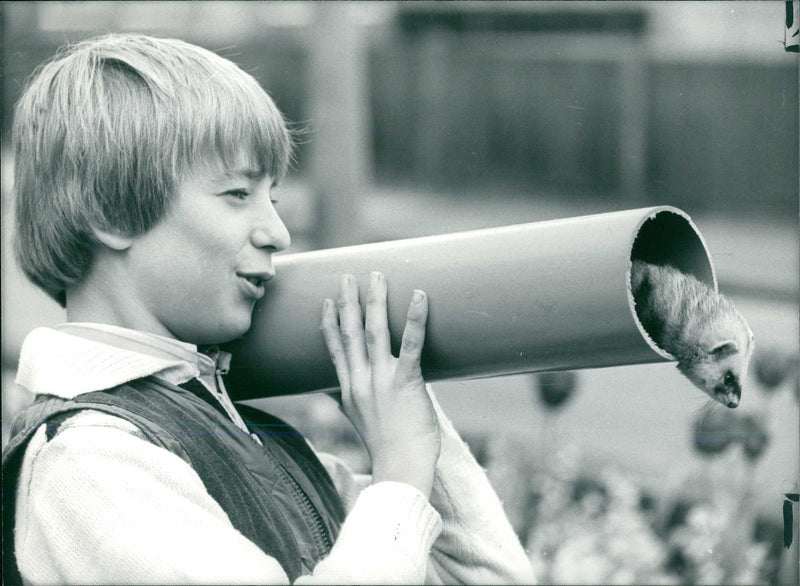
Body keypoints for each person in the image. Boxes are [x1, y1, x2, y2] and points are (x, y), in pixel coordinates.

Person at [2, 33, 535, 585]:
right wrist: (397, 470)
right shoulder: (88, 462)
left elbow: (491, 577)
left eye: (273, 199)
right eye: (238, 194)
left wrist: (416, 434)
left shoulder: (267, 449)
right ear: (109, 212)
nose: (277, 233)